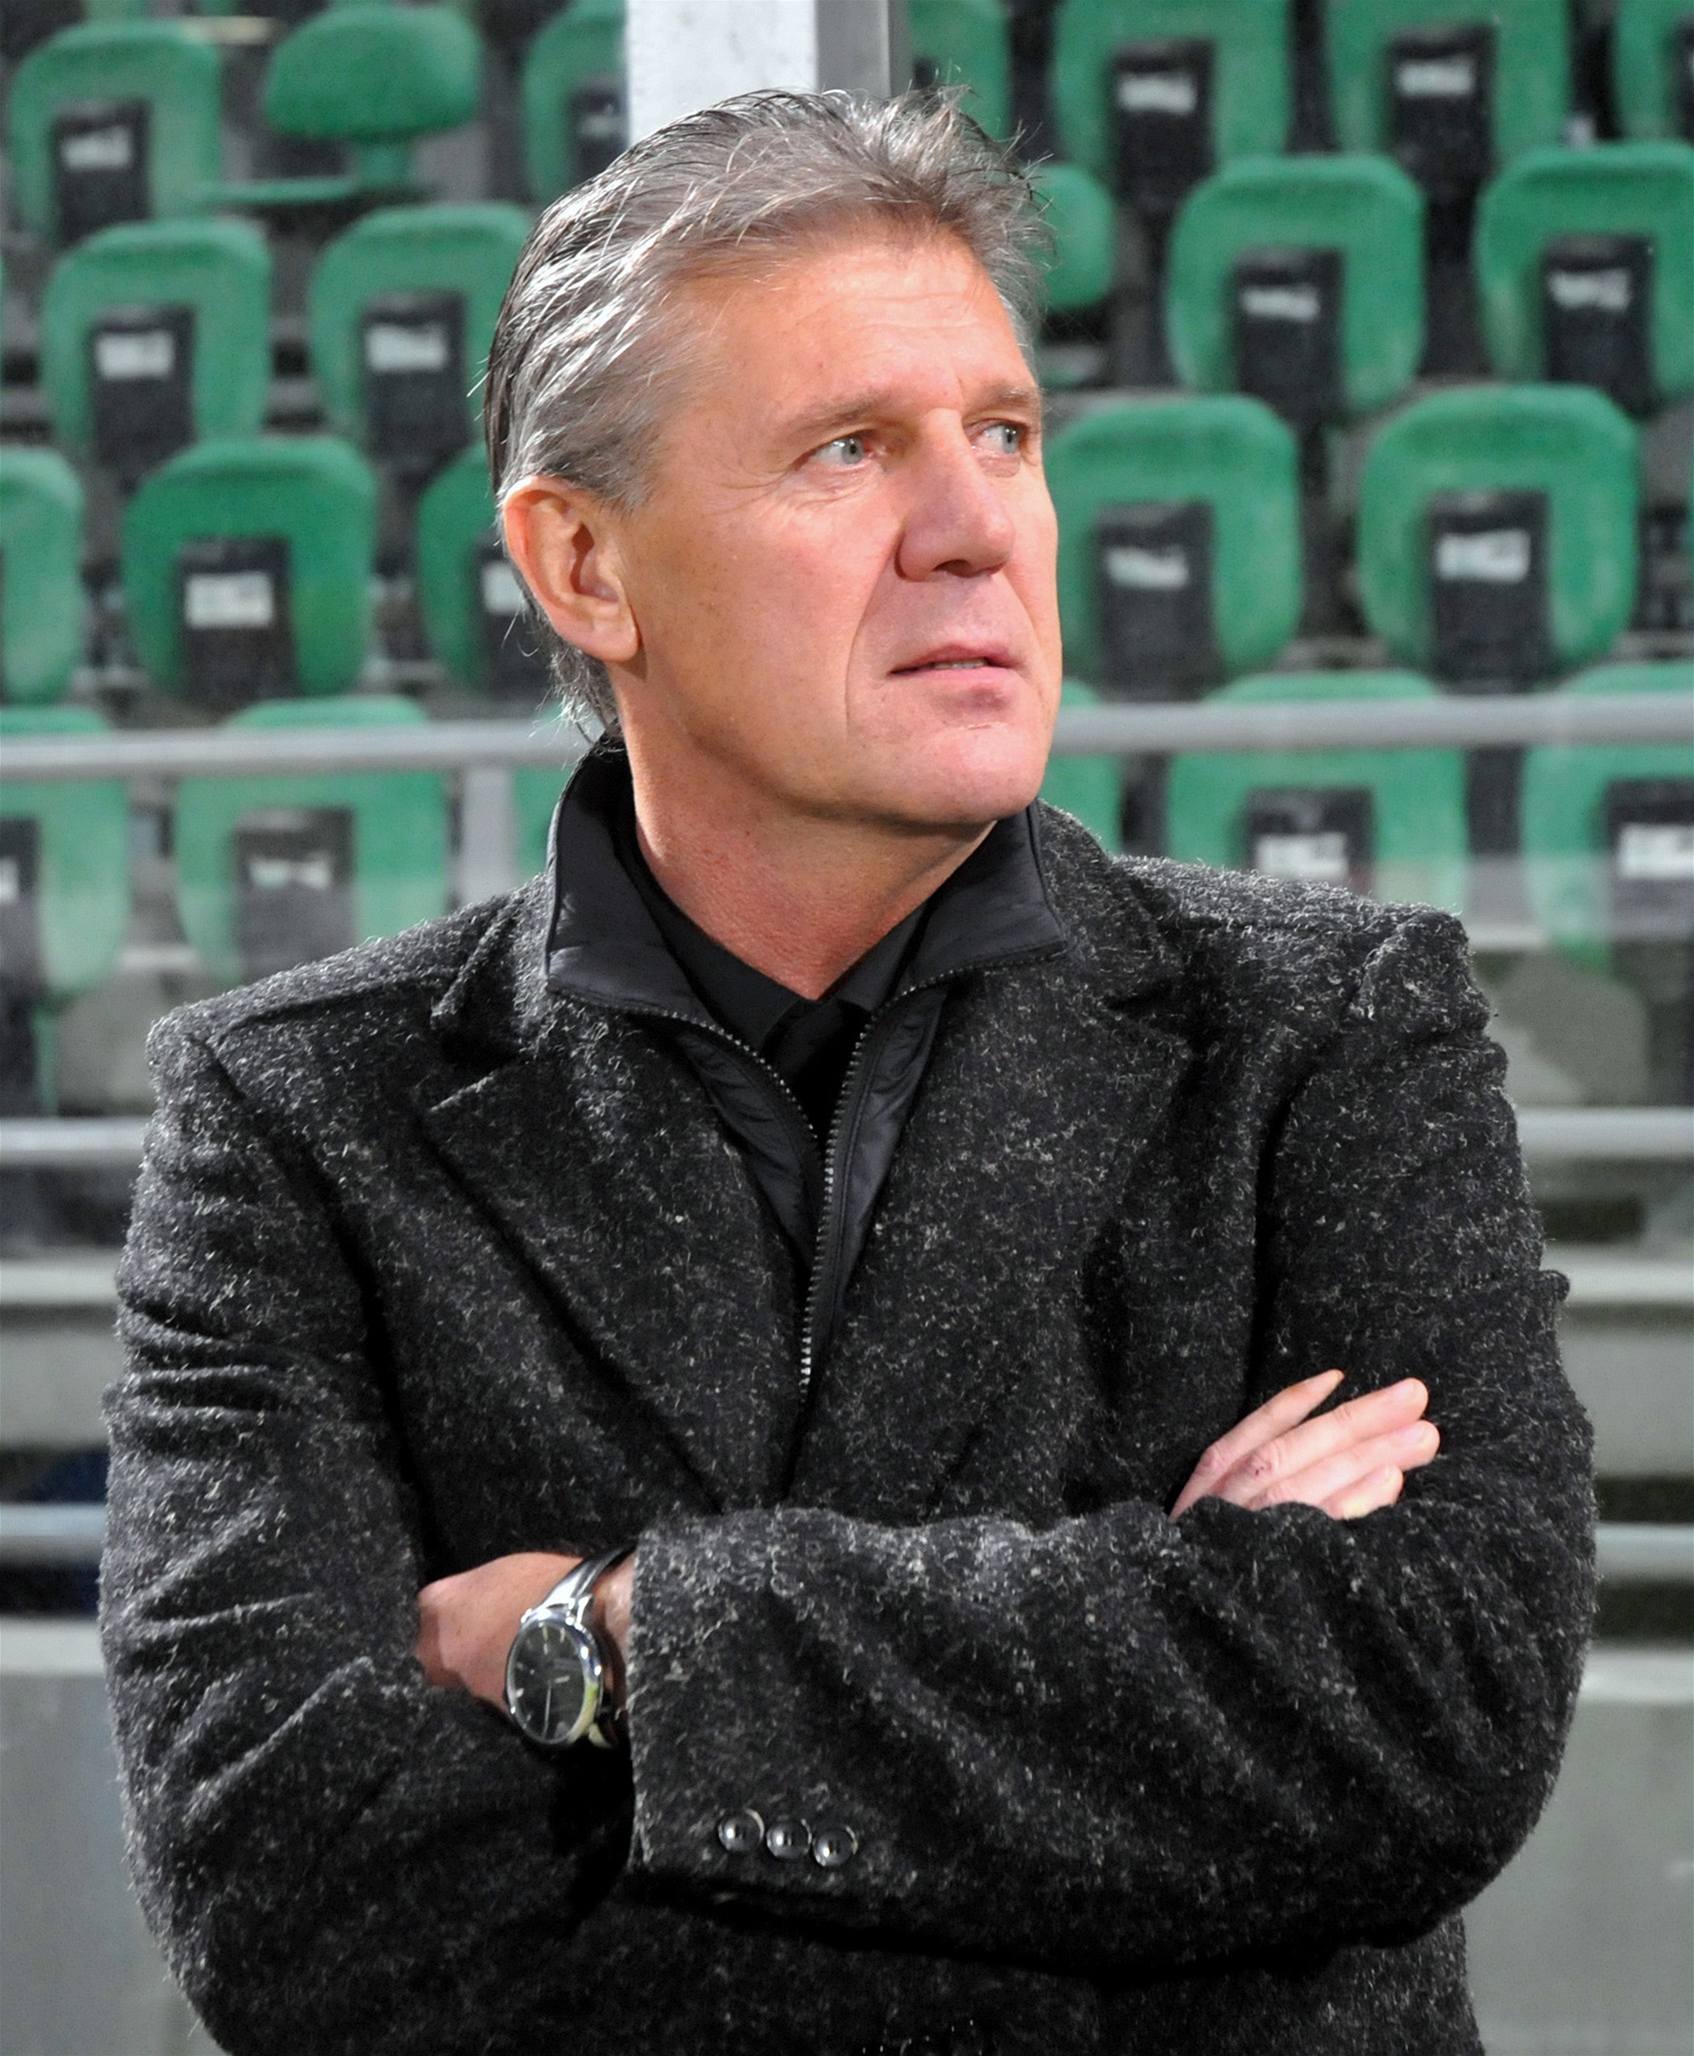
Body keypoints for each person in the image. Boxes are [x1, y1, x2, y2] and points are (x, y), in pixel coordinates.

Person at [99, 89, 1597, 2056]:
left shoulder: (1329, 1027)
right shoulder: (295, 1116)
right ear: (584, 564)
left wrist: (621, 1632)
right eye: (848, 449)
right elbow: (294, 1899)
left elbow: (1423, 1722)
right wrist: (1156, 1683)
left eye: (1004, 434)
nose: (976, 528)